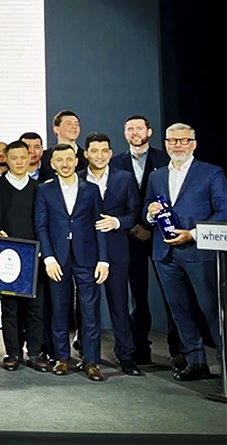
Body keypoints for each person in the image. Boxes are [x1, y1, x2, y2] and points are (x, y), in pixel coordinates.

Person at [144, 123, 227, 381]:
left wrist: (193, 233)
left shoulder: (212, 172)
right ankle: (196, 361)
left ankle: (226, 365)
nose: (177, 145)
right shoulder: (157, 176)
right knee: (179, 311)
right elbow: (146, 209)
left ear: (194, 143)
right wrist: (150, 213)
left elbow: (224, 211)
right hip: (165, 254)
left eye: (183, 140)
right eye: (172, 140)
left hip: (200, 253)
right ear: (165, 143)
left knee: (211, 310)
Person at [35, 144, 108, 382]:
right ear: (52, 164)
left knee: (90, 311)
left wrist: (103, 260)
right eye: (59, 160)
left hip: (87, 258)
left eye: (69, 159)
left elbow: (99, 226)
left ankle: (92, 362)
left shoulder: (91, 190)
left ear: (77, 161)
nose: (65, 164)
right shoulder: (44, 190)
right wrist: (48, 257)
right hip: (57, 259)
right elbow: (41, 226)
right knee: (59, 308)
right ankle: (62, 358)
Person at [110, 114, 175, 366]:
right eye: (130, 129)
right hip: (131, 236)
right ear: (125, 133)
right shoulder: (115, 163)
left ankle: (178, 349)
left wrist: (150, 226)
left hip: (162, 235)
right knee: (137, 296)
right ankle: (140, 348)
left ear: (149, 132)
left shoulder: (166, 159)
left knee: (172, 293)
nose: (135, 132)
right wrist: (135, 226)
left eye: (139, 128)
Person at [81, 132, 142, 376]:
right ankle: (89, 358)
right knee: (88, 309)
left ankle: (126, 356)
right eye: (94, 151)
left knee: (119, 307)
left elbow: (134, 213)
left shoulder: (124, 178)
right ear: (86, 154)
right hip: (85, 253)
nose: (100, 155)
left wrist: (116, 222)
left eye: (104, 150)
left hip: (116, 252)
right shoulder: (76, 178)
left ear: (110, 153)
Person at [0, 141, 48, 372]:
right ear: (6, 159)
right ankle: (13, 353)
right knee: (10, 307)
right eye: (14, 157)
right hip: (6, 256)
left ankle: (34, 353)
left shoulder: (40, 188)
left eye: (23, 157)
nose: (19, 162)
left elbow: (44, 222)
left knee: (35, 306)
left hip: (34, 255)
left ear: (30, 158)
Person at [38, 110, 88, 182]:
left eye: (76, 124)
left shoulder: (86, 158)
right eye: (69, 124)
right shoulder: (44, 157)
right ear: (56, 129)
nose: (74, 127)